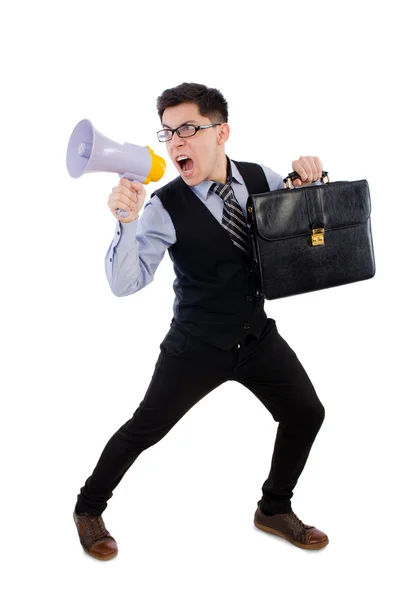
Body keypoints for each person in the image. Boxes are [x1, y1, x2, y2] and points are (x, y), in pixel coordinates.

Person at [73, 82, 328, 560]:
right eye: (168, 133)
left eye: (187, 129)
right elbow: (124, 284)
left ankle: (273, 508)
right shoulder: (162, 207)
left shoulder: (260, 178)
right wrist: (126, 222)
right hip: (196, 345)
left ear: (222, 132)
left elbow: (302, 230)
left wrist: (309, 181)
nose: (175, 143)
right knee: (144, 428)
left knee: (306, 413)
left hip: (255, 336)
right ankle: (88, 509)